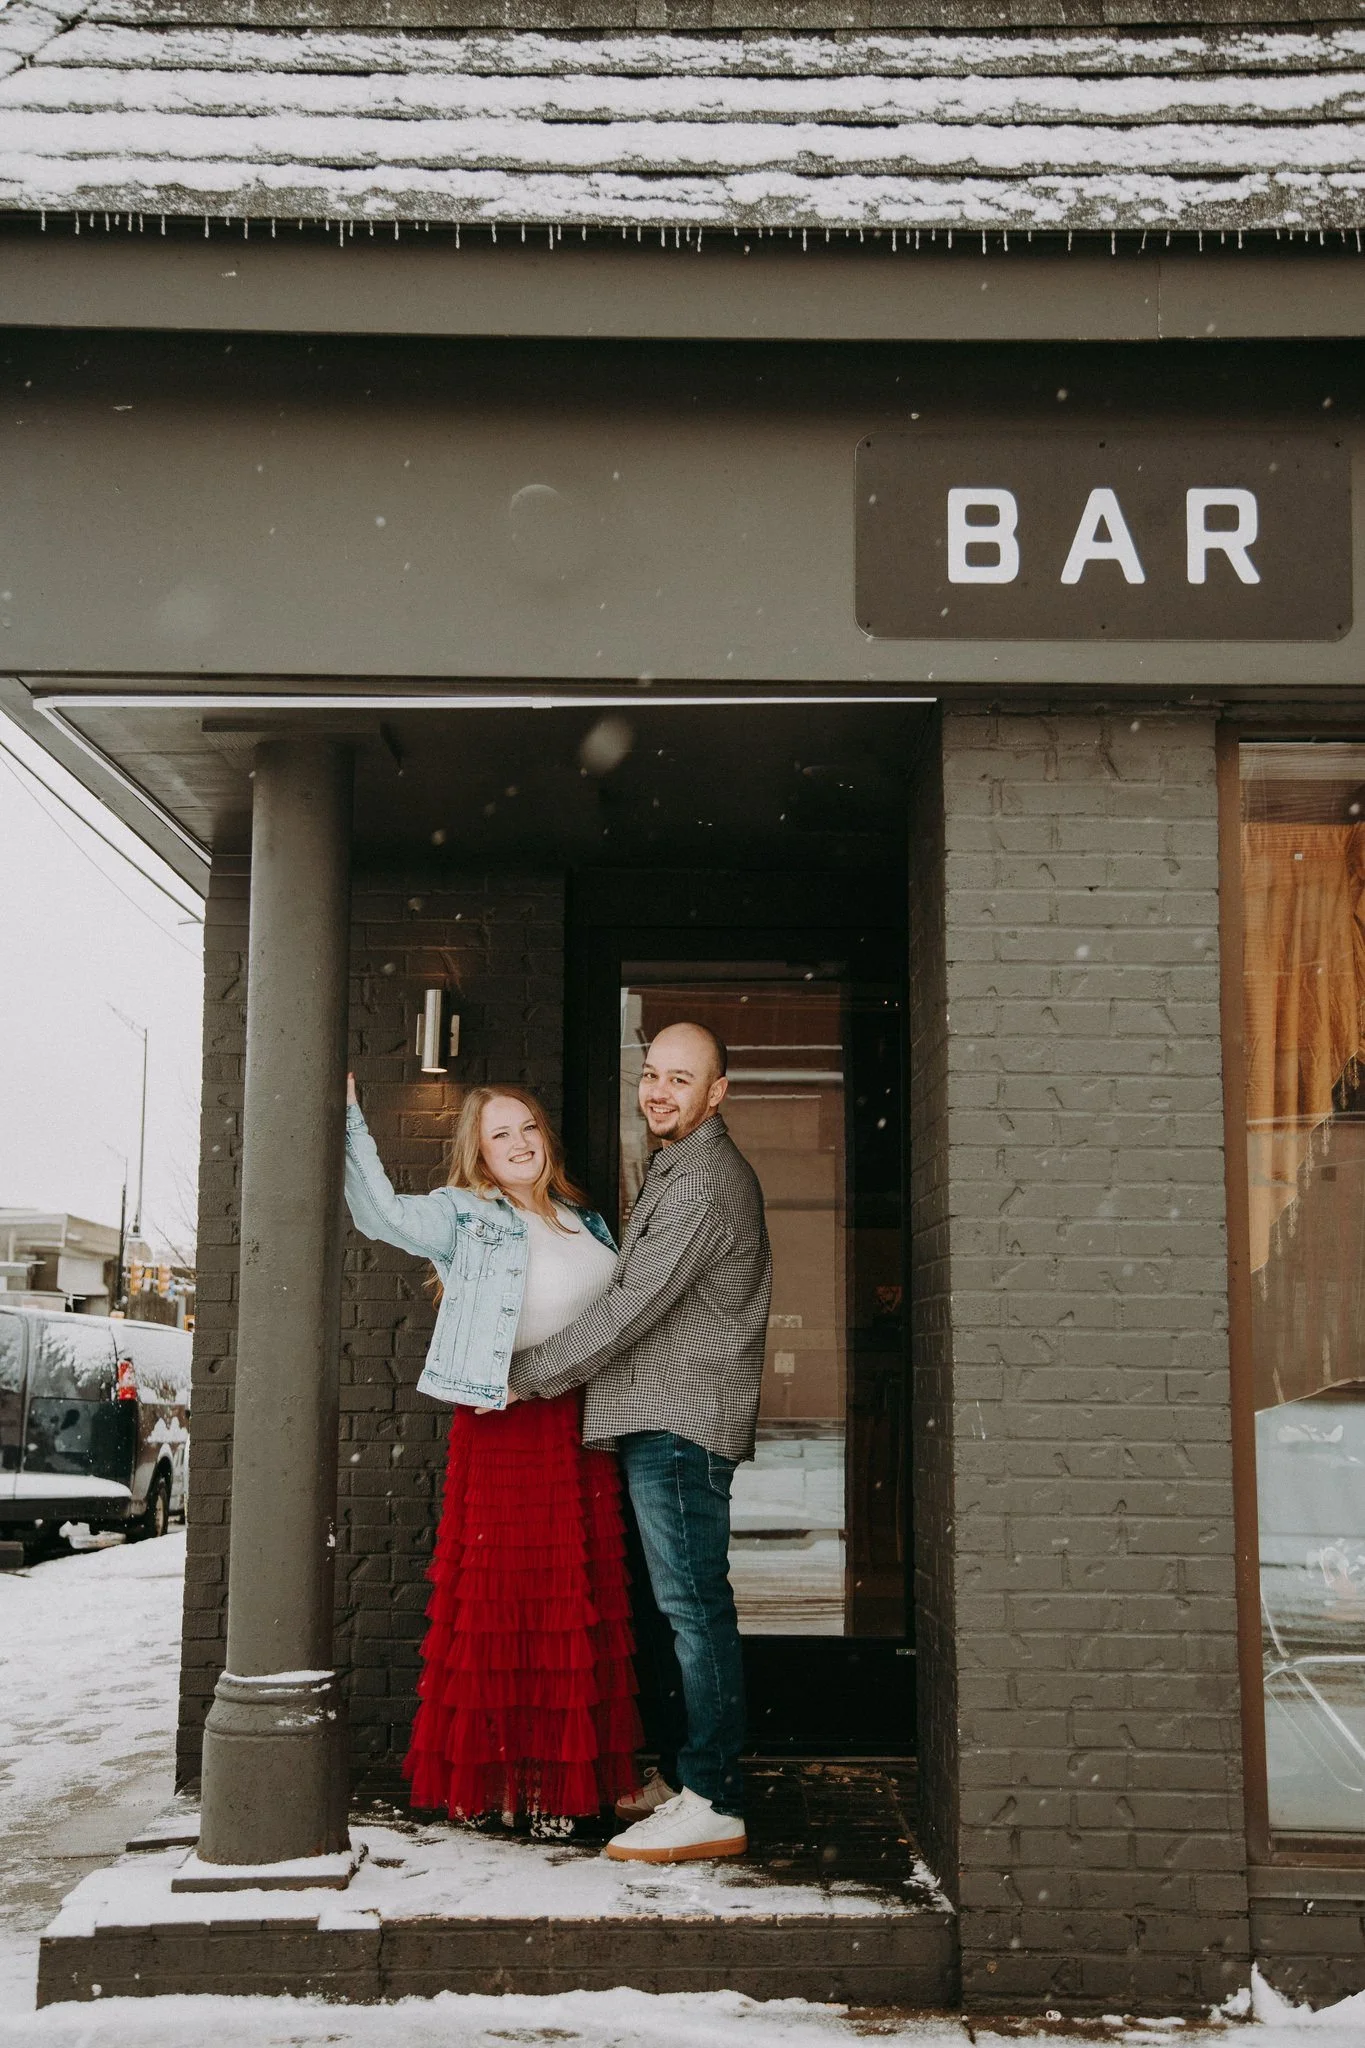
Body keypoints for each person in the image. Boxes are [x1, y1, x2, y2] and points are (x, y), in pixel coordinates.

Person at [342, 1076, 642, 1838]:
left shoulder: (586, 1220)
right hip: (505, 1419)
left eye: (528, 1128)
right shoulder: (465, 1215)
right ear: (477, 1148)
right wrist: (347, 1120)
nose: (519, 1144)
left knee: (577, 1604)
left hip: (581, 1425)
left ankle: (576, 1782)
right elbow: (378, 1214)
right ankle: (509, 1784)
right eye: (500, 1133)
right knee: (508, 1604)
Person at [509, 1022, 772, 1864]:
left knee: (696, 1612)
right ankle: (690, 1774)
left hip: (680, 1426)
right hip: (658, 1420)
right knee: (678, 1611)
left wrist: (528, 1375)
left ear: (717, 1092)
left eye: (680, 1079)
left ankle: (716, 1799)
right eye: (651, 1074)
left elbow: (632, 1307)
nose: (657, 1091)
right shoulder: (680, 1166)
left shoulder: (702, 1184)